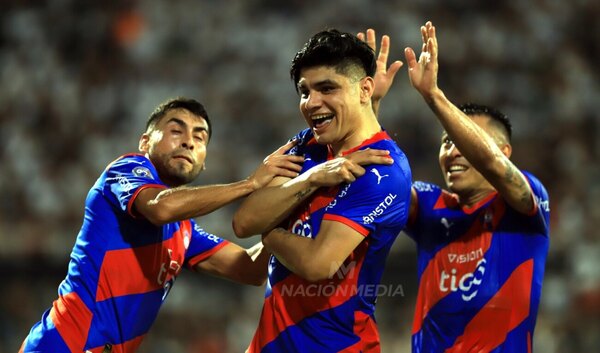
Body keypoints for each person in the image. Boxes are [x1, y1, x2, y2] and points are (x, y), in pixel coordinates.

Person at [18, 97, 305, 353]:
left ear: (203, 161)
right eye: (176, 130)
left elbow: (250, 268)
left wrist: (291, 209)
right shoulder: (125, 170)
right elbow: (161, 207)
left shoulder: (184, 230)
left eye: (199, 137)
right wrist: (250, 184)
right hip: (65, 343)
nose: (188, 141)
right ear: (145, 142)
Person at [232, 29, 413, 353]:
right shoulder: (308, 144)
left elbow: (318, 264)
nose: (311, 103)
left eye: (327, 88)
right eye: (305, 91)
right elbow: (245, 223)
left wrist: (271, 233)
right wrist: (311, 179)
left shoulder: (384, 171)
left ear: (365, 89)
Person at [398, 22, 550, 352]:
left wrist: (434, 96)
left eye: (463, 142)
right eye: (446, 142)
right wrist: (366, 106)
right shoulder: (428, 205)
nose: (452, 151)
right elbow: (379, 186)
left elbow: (493, 165)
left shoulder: (527, 202)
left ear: (504, 152)